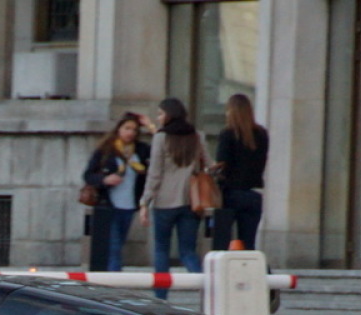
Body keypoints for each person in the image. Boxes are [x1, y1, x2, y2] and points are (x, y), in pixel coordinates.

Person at [138, 98, 210, 299]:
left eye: (161, 114)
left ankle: (161, 298)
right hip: (190, 201)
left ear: (170, 115)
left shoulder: (161, 138)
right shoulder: (197, 136)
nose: (158, 118)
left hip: (164, 202)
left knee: (161, 250)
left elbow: (155, 174)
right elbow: (208, 165)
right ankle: (207, 290)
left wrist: (145, 202)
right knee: (188, 251)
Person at [83, 112, 152, 272]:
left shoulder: (141, 151)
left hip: (129, 206)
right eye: (127, 128)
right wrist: (105, 180)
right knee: (114, 249)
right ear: (118, 129)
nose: (130, 133)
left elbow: (163, 148)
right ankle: (115, 283)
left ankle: (111, 279)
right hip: (109, 205)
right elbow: (88, 175)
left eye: (134, 130)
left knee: (118, 245)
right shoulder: (106, 150)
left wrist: (150, 126)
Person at [213, 93, 269, 251]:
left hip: (231, 193)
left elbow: (222, 163)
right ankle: (261, 274)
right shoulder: (262, 134)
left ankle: (225, 273)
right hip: (254, 193)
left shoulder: (227, 134)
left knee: (222, 242)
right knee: (249, 243)